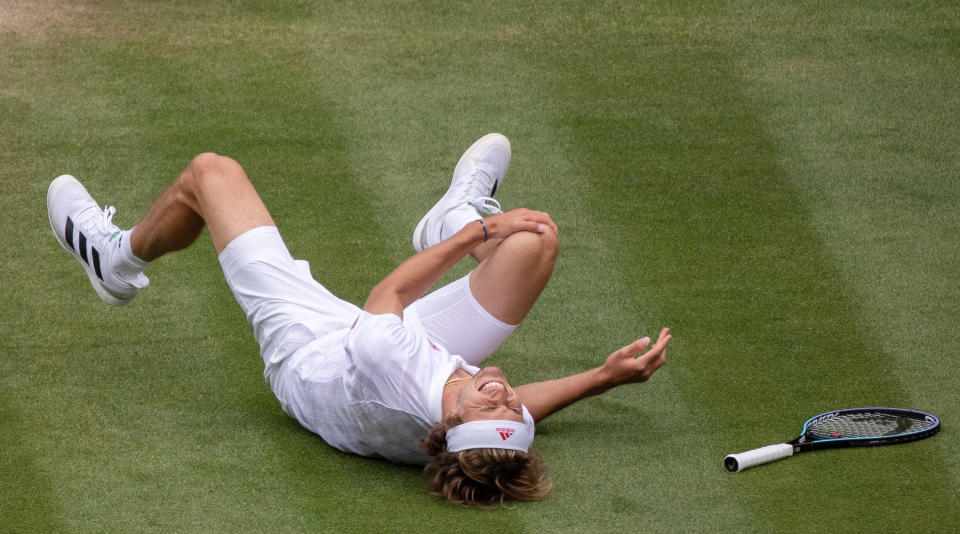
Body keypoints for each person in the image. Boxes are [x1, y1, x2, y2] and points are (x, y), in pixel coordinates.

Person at [46, 133, 671, 508]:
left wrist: (482, 234)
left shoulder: (392, 366)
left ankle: (116, 260)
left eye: (494, 407)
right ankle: (448, 213)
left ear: (450, 420)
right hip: (398, 354)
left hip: (311, 348)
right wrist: (603, 378)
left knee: (211, 174)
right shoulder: (470, 433)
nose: (507, 395)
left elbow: (394, 291)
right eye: (511, 410)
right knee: (535, 241)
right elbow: (524, 411)